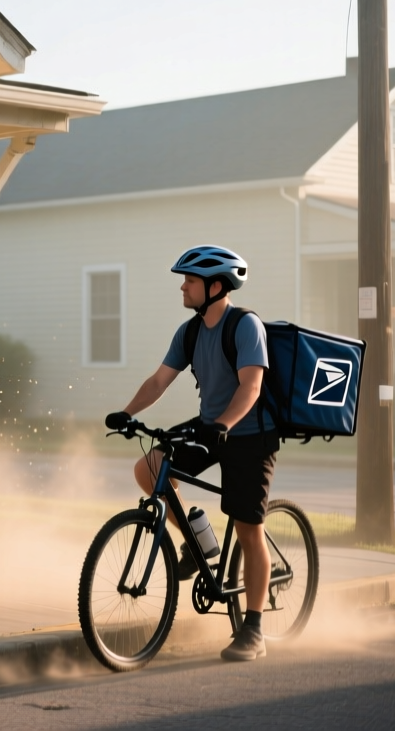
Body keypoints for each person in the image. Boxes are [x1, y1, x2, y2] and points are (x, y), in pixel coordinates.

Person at [106, 245, 278, 663]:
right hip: (211, 426)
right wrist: (127, 413)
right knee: (150, 469)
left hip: (251, 432)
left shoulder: (245, 326)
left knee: (247, 528)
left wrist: (224, 425)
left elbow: (251, 387)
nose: (182, 287)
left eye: (189, 281)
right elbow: (158, 381)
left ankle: (253, 628)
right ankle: (197, 542)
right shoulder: (190, 331)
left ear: (215, 286)